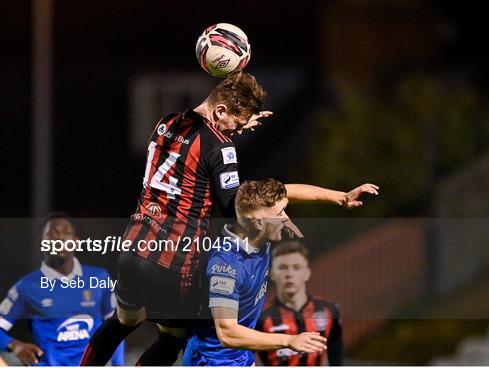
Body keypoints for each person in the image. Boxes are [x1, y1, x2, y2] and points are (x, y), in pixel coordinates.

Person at [81, 73, 379, 366]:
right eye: (236, 123)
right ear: (220, 110)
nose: (237, 131)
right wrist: (259, 208)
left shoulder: (168, 122)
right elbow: (233, 206)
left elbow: (196, 156)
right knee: (172, 338)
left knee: (123, 321)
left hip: (134, 247)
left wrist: (334, 196)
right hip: (172, 261)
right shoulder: (220, 148)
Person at [183, 179, 330, 366]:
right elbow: (227, 333)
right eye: (280, 214)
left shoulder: (257, 233)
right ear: (259, 224)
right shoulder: (226, 266)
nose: (286, 218)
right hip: (213, 360)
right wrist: (289, 341)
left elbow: (289, 193)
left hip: (241, 356)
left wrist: (341, 198)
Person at [0, 214, 124, 366]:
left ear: (76, 242)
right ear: (41, 244)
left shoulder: (99, 278)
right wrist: (14, 345)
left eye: (67, 232)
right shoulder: (26, 286)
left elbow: (117, 327)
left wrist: (119, 365)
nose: (60, 239)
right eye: (52, 234)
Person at [258, 241, 343, 366]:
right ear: (271, 273)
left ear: (307, 273)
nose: (289, 274)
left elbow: (336, 360)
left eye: (296, 267)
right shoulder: (260, 318)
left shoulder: (329, 311)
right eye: (282, 267)